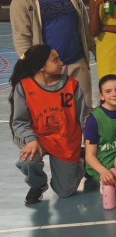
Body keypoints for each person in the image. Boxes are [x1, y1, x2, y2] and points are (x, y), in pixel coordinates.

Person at [11, 0, 95, 110]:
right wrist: (35, 66)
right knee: (53, 113)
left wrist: (96, 51)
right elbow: (21, 39)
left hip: (78, 62)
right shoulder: (22, 1)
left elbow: (85, 28)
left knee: (84, 111)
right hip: (46, 68)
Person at [11, 45, 87, 204]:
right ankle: (38, 185)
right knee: (27, 161)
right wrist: (31, 140)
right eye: (55, 60)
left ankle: (82, 161)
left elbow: (84, 116)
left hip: (66, 141)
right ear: (41, 67)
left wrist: (93, 143)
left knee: (65, 191)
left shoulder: (70, 84)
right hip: (39, 140)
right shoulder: (24, 87)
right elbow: (20, 122)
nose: (61, 63)